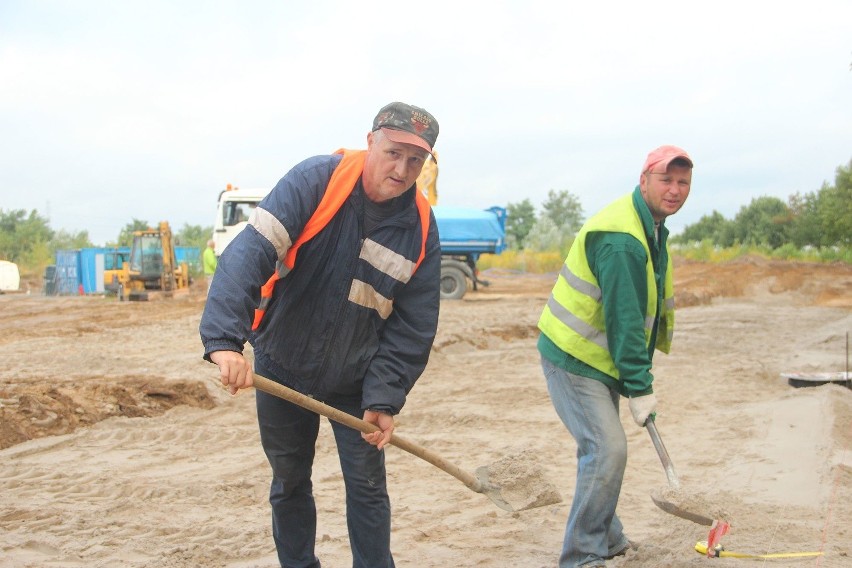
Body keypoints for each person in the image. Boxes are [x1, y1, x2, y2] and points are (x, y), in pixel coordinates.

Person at [199, 101, 441, 568]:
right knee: (289, 481)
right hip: (281, 364)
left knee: (368, 488)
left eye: (416, 160)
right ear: (371, 142)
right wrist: (224, 342)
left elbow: (413, 328)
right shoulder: (315, 181)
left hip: (357, 381)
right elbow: (248, 256)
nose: (402, 169)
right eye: (393, 153)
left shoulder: (421, 230)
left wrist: (384, 397)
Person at [537, 145, 693, 567]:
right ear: (644, 180)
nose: (675, 189)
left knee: (600, 449)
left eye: (683, 182)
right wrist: (641, 387)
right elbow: (625, 321)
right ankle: (583, 555)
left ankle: (608, 536)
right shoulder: (624, 239)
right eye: (666, 180)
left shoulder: (651, 225)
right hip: (574, 356)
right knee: (607, 449)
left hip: (598, 359)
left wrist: (633, 379)